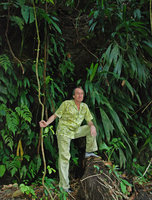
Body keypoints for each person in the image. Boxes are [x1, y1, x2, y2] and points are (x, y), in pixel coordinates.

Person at [39, 86, 98, 192]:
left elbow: (89, 120)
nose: (80, 95)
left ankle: (89, 152)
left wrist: (92, 125)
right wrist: (46, 123)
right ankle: (64, 186)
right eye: (78, 93)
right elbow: (55, 115)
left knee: (91, 129)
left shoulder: (84, 107)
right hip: (64, 132)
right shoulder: (66, 103)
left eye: (82, 94)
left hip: (75, 131)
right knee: (65, 157)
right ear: (73, 96)